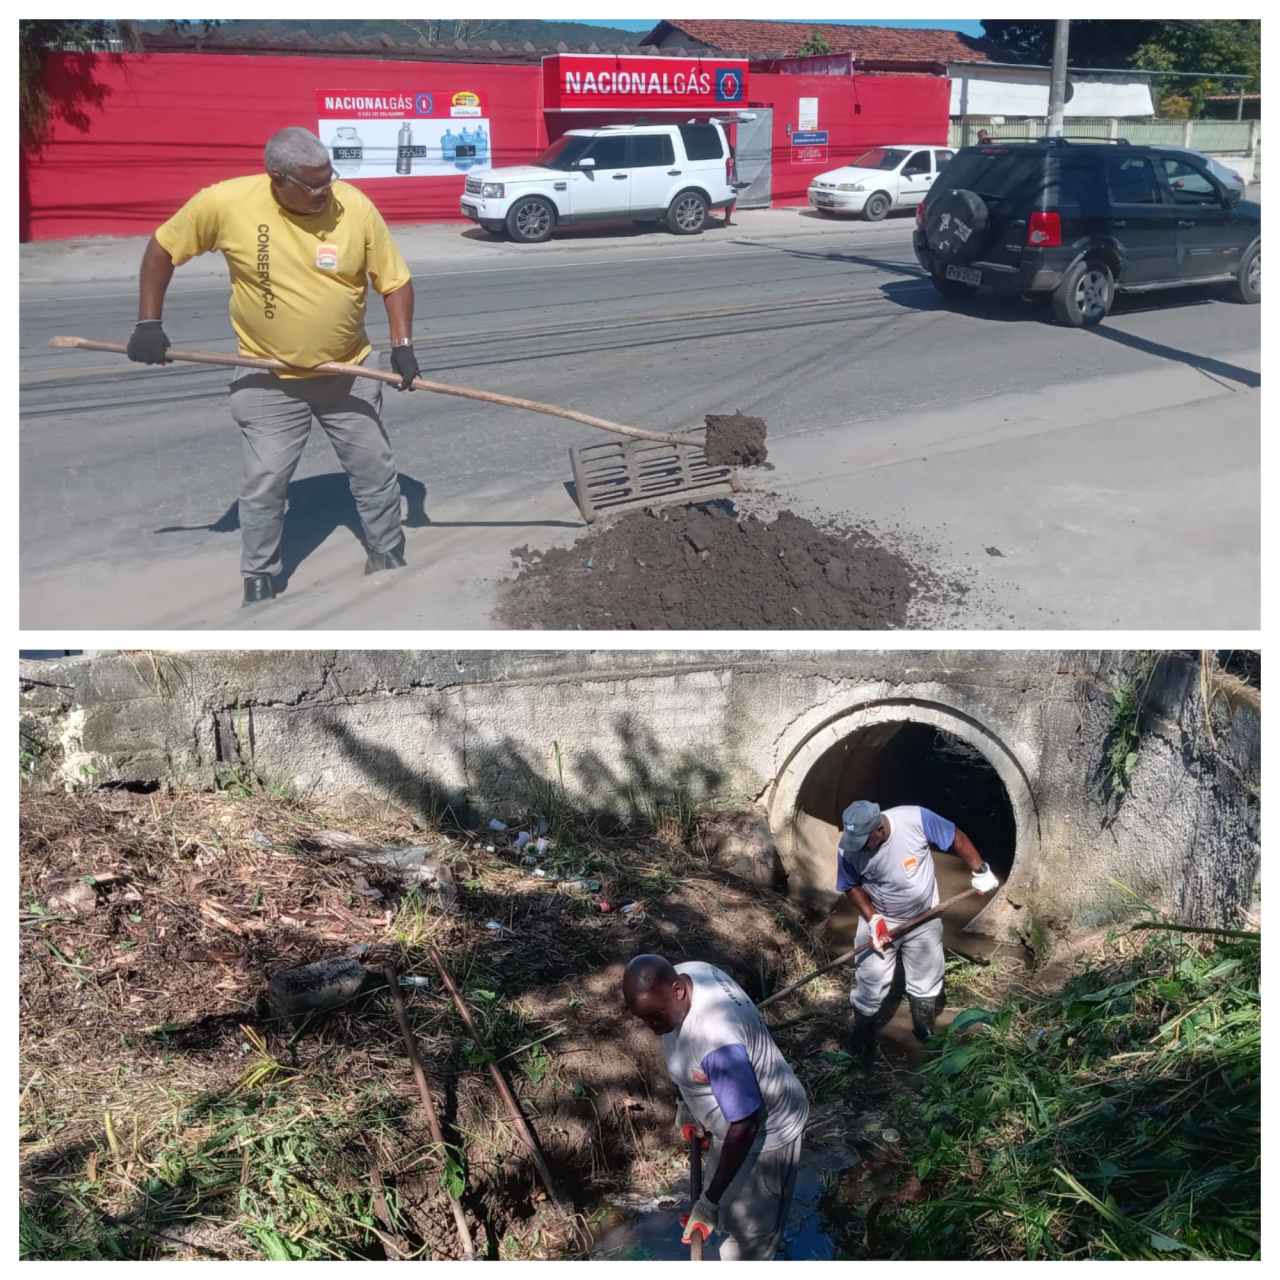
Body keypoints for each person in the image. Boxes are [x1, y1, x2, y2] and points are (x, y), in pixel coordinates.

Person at [126, 126, 421, 606]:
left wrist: (402, 345)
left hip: (348, 371)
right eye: (314, 186)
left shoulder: (354, 206)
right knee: (264, 483)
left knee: (375, 469)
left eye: (330, 179)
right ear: (277, 178)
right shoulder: (225, 204)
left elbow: (395, 281)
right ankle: (259, 578)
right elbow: (162, 248)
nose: (328, 193)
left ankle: (387, 553)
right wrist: (148, 323)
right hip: (266, 376)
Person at [623, 954, 809, 1261]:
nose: (653, 1028)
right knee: (724, 1212)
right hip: (734, 1125)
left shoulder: (717, 1039)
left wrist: (709, 1201)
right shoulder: (683, 978)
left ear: (678, 991)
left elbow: (745, 1126)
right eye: (644, 1018)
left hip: (767, 1135)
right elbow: (683, 1053)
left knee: (749, 1241)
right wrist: (686, 1102)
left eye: (655, 1017)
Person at [836, 800, 999, 1065]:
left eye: (864, 841)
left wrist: (980, 870)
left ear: (879, 829)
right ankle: (862, 1045)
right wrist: (873, 918)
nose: (859, 848)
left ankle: (923, 1036)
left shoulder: (915, 819)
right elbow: (850, 885)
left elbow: (955, 837)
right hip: (880, 919)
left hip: (924, 916)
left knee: (926, 976)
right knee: (870, 980)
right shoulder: (849, 849)